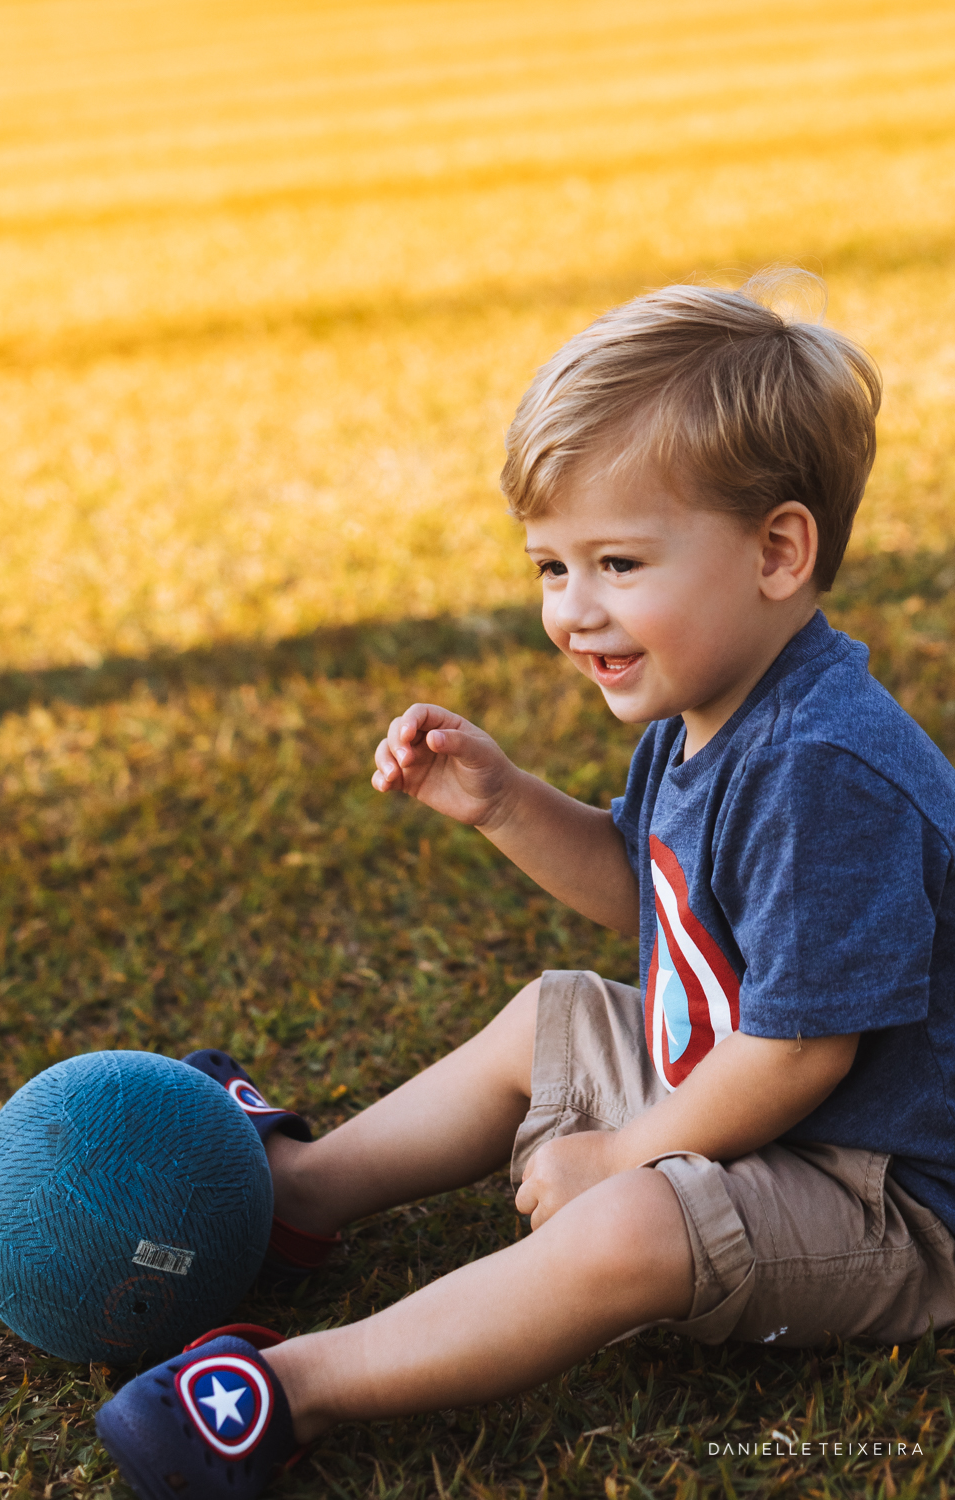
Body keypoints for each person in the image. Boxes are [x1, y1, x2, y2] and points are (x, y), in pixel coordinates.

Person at [95, 272, 955, 1500]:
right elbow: (651, 901)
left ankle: (286, 1395)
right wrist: (506, 803)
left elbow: (800, 1054)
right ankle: (301, 1196)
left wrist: (626, 1157)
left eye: (614, 561)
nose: (572, 612)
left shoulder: (824, 765)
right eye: (551, 567)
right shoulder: (710, 706)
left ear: (777, 550)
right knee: (557, 1009)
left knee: (629, 1230)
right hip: (762, 1104)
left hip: (884, 1195)